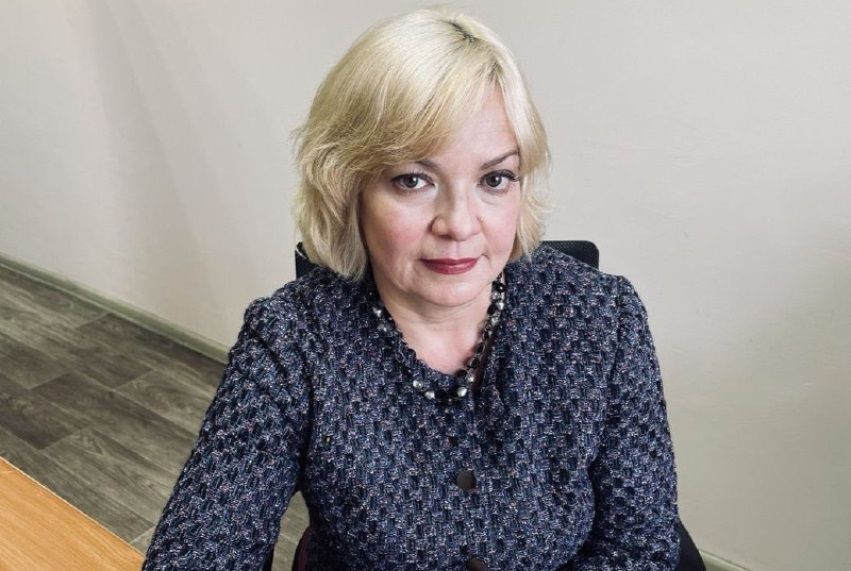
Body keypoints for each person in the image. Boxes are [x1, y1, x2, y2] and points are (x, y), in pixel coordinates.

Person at [142, 7, 680, 570]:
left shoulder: (603, 318)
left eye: (495, 179)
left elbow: (639, 548)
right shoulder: (292, 341)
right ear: (348, 188)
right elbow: (201, 548)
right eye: (412, 180)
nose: (460, 224)